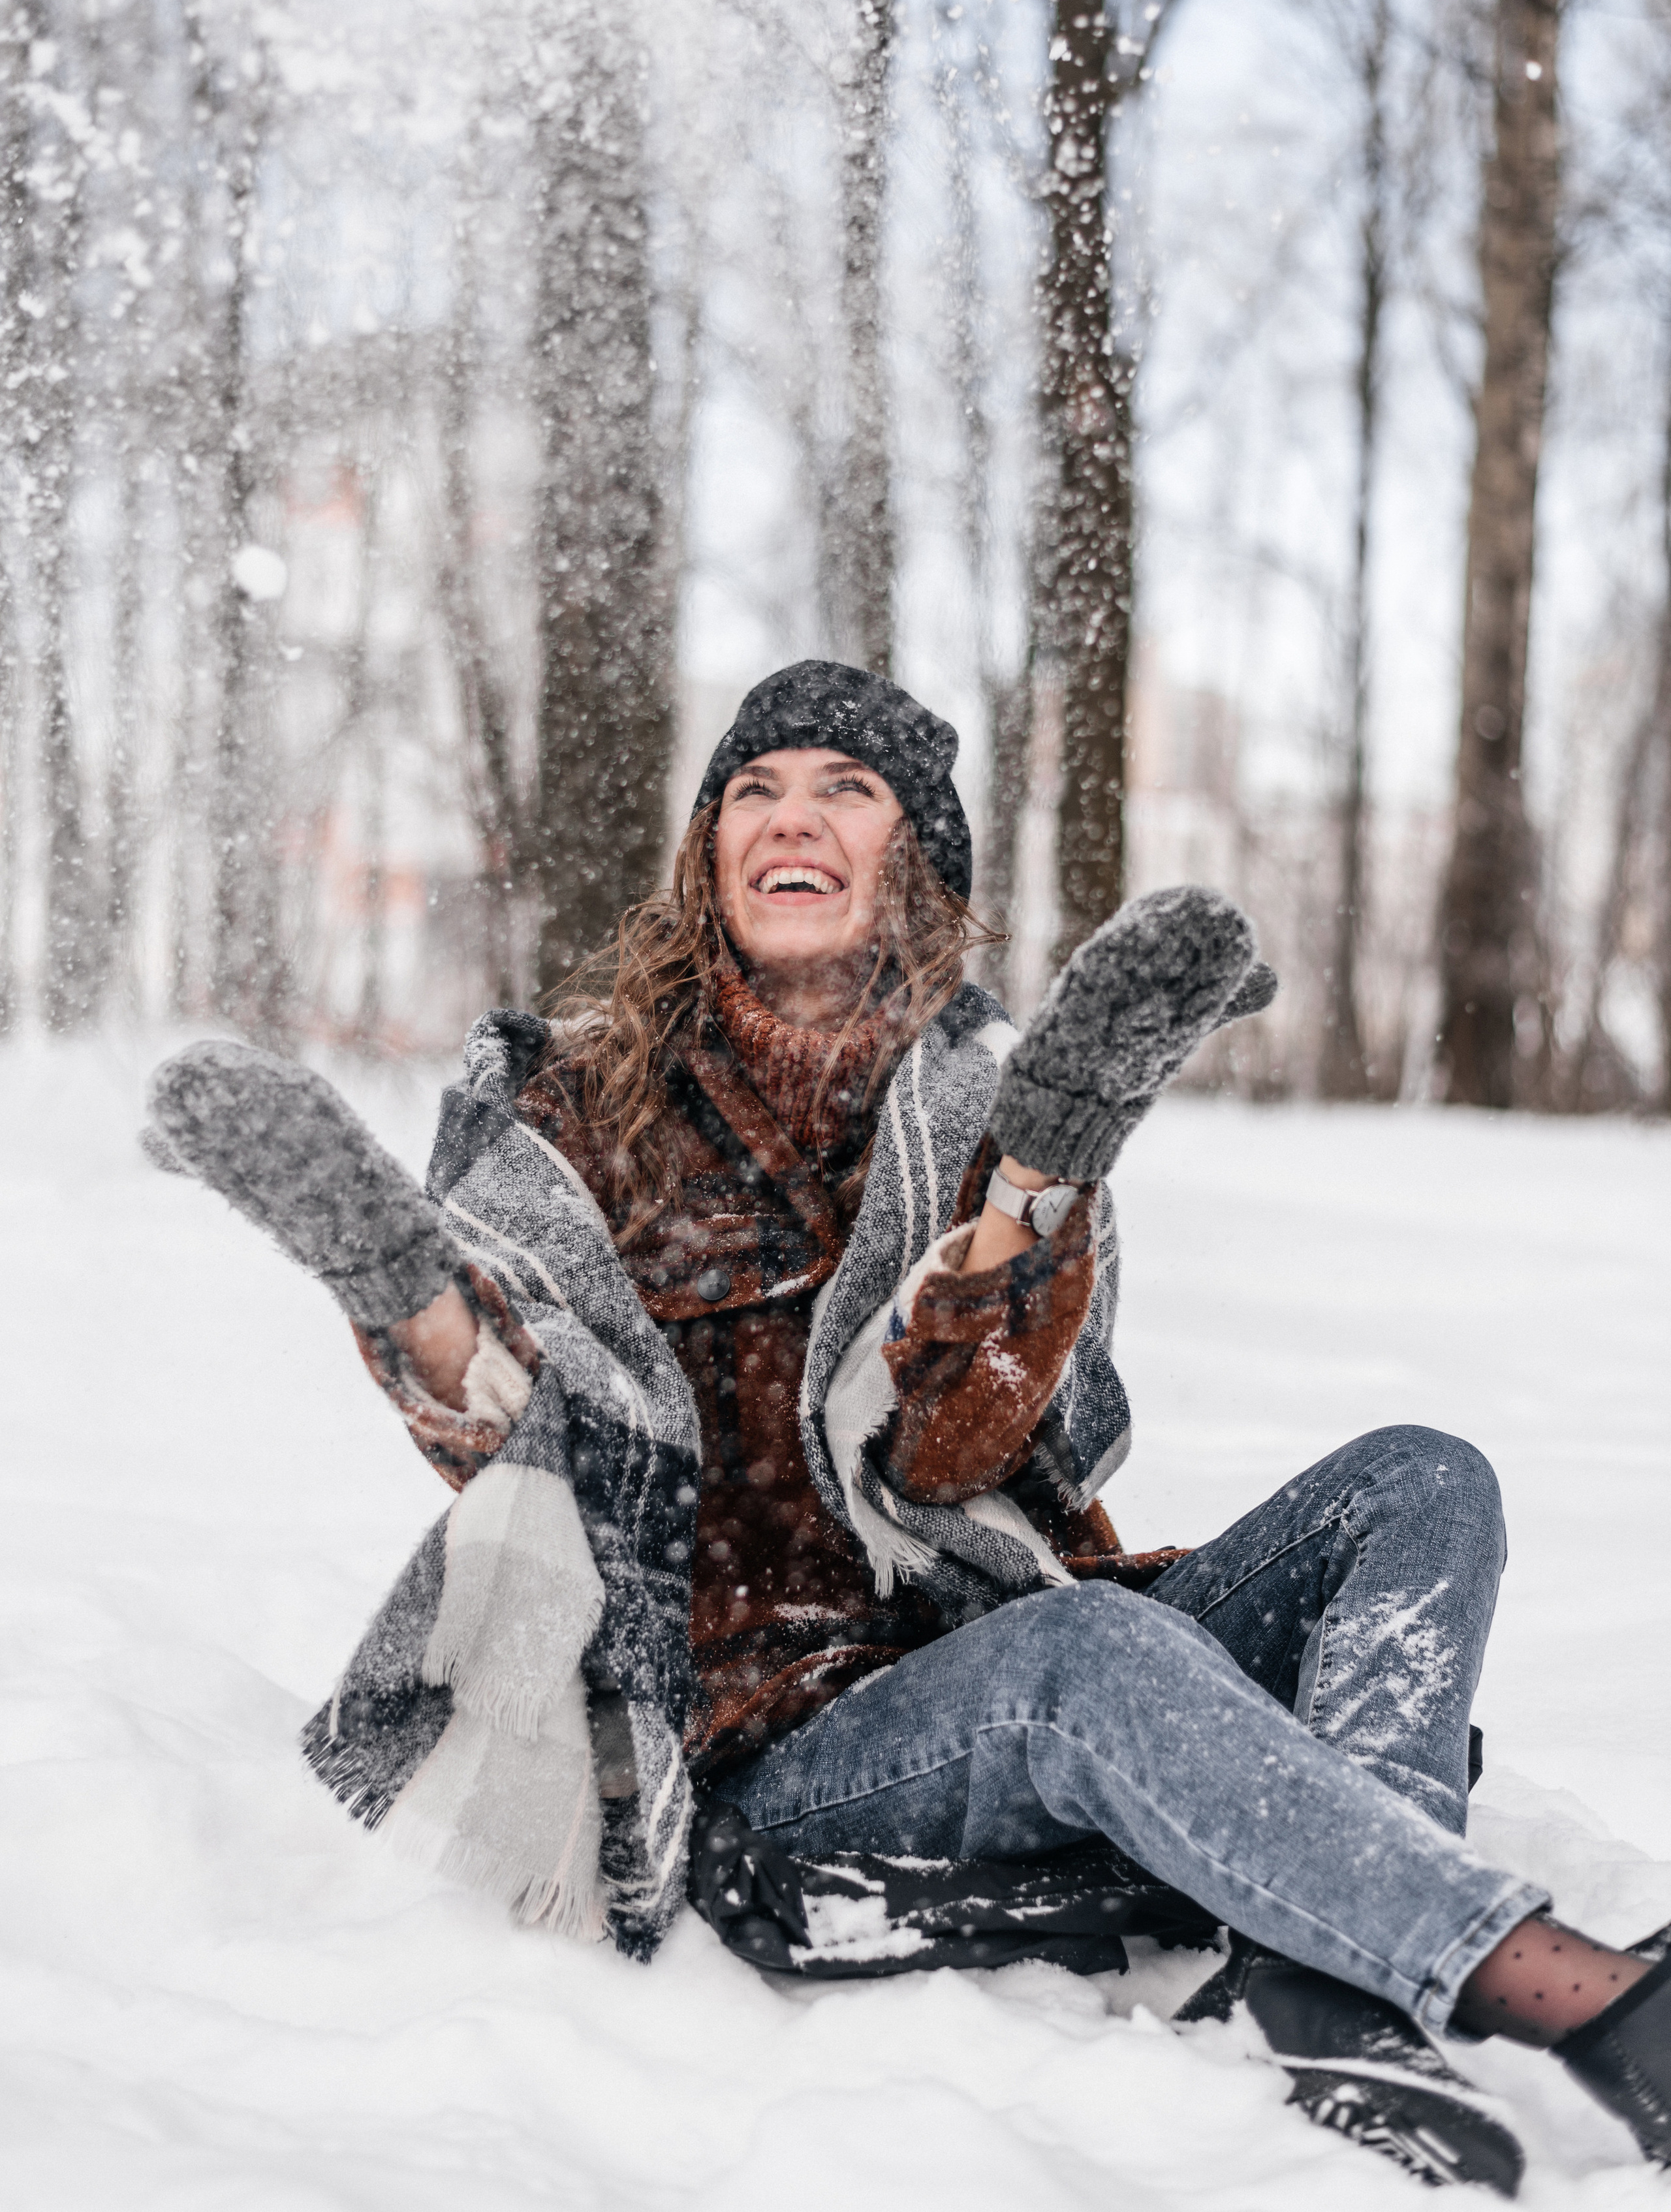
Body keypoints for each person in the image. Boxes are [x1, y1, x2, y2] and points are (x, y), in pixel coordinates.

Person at [145, 661, 1671, 2194]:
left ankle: (1336, 1978)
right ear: (705, 853)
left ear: (913, 863)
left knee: (1417, 1482)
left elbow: (953, 1459)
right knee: (1095, 1659)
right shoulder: (569, 1105)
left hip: (996, 1637)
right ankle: (1575, 1998)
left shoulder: (980, 1100)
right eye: (753, 789)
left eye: (843, 790)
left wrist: (1038, 1182)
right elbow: (545, 1453)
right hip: (773, 1739)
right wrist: (396, 1280)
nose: (788, 816)